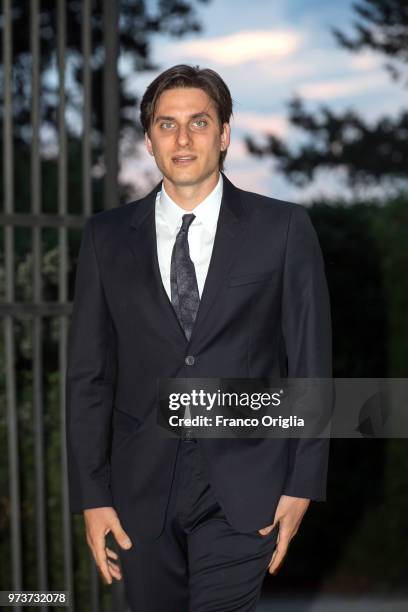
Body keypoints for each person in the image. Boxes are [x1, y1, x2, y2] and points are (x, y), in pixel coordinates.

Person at [65, 64, 332, 611]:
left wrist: (303, 484)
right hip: (139, 488)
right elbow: (88, 375)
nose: (183, 139)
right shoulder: (106, 238)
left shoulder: (282, 229)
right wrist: (92, 496)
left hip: (247, 484)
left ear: (224, 133)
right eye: (167, 124)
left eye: (199, 122)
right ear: (149, 139)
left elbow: (312, 364)